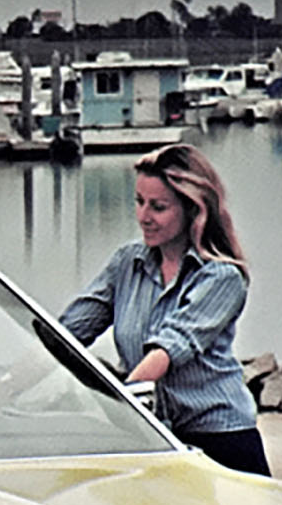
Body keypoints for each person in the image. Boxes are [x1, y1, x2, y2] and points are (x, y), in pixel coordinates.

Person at [60, 142, 269, 476]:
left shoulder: (223, 278)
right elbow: (63, 337)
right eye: (139, 202)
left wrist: (121, 403)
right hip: (156, 436)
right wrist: (0, 390)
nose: (144, 217)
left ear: (192, 209)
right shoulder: (126, 263)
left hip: (222, 442)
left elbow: (170, 349)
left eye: (158, 207)